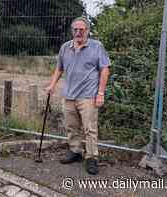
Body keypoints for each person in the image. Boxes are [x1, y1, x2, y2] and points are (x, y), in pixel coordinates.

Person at [46, 17, 111, 175]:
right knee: (71, 127)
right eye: (75, 30)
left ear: (87, 31)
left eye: (82, 29)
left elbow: (105, 69)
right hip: (69, 95)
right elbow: (59, 69)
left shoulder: (96, 46)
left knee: (90, 129)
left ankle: (92, 158)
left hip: (88, 96)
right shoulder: (65, 48)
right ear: (72, 31)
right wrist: (52, 85)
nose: (78, 32)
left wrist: (101, 93)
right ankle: (75, 151)